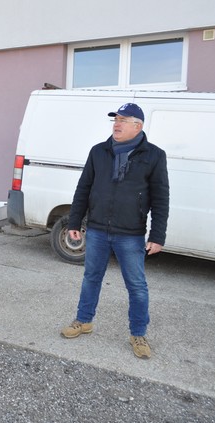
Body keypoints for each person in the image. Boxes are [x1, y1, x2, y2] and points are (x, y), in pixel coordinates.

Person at [61, 103, 169, 359]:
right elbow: (83, 188)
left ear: (138, 126)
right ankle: (83, 320)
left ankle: (138, 334)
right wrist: (75, 222)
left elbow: (161, 197)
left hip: (131, 233)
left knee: (137, 286)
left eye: (123, 120)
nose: (116, 124)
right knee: (91, 277)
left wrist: (157, 235)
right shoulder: (99, 151)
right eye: (115, 120)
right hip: (97, 229)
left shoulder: (154, 155)